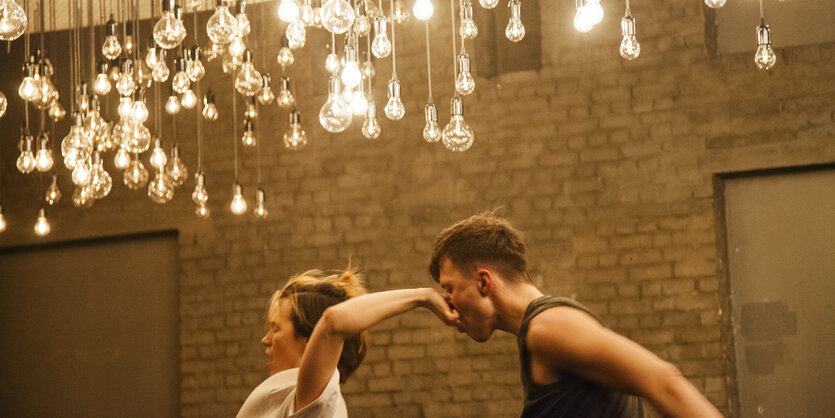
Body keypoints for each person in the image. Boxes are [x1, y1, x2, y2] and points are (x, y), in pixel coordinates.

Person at [429, 211, 723, 418]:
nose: (447, 303)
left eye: (449, 288)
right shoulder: (541, 331)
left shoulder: (548, 328)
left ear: (484, 282)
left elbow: (663, 381)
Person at [237, 268, 457, 418]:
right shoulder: (293, 398)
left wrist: (423, 297)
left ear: (309, 340)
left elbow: (333, 322)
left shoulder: (314, 402)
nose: (265, 340)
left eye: (275, 329)